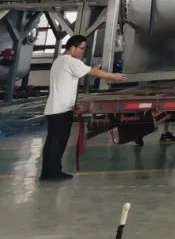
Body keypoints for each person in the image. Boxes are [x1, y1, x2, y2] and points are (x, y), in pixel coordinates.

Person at [41, 35, 126, 181]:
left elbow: (84, 72)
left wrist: (93, 69)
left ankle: (46, 173)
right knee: (58, 142)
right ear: (72, 47)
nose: (82, 51)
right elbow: (93, 73)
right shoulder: (71, 61)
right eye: (81, 48)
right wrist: (113, 76)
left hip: (54, 108)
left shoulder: (59, 61)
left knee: (51, 142)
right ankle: (54, 173)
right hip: (61, 110)